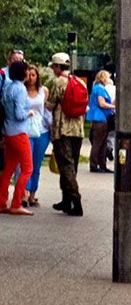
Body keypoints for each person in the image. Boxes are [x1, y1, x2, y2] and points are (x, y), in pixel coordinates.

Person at [46, 52, 85, 216]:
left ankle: (76, 202)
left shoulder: (58, 82)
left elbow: (50, 105)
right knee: (71, 165)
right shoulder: (79, 82)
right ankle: (66, 200)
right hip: (78, 130)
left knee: (66, 166)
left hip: (62, 130)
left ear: (57, 66)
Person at [0, 60, 34, 215]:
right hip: (19, 132)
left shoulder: (7, 87)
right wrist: (30, 113)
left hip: (7, 131)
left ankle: (1, 202)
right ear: (23, 73)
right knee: (27, 168)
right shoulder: (20, 89)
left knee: (9, 168)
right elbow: (20, 114)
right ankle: (16, 203)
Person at [23, 65, 51, 208]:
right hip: (26, 130)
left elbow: (46, 108)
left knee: (36, 164)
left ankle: (33, 195)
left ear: (37, 76)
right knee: (27, 164)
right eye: (29, 75)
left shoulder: (43, 91)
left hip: (41, 130)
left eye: (34, 75)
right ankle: (25, 193)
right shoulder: (22, 91)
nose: (31, 78)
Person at [86, 70, 115, 173]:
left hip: (100, 118)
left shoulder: (97, 88)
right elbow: (101, 103)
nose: (109, 79)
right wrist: (113, 106)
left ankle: (102, 164)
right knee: (98, 143)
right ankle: (94, 164)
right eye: (107, 77)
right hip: (100, 118)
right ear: (103, 78)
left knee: (102, 143)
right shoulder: (100, 89)